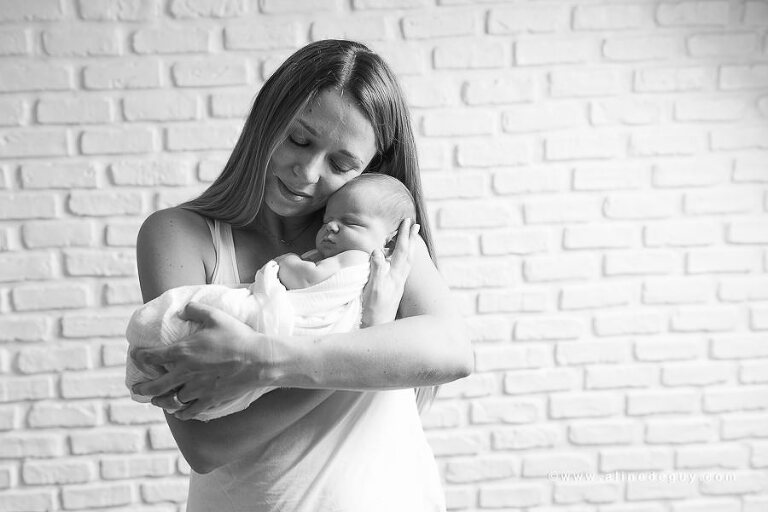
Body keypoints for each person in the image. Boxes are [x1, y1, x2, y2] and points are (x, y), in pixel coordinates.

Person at [129, 39, 473, 511]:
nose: (307, 172)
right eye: (299, 139)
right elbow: (206, 444)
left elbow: (453, 351)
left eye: (341, 164)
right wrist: (368, 335)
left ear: (370, 167)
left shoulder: (376, 233)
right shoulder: (180, 236)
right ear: (267, 119)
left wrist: (264, 359)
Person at [126, 174, 417, 422]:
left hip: (294, 322)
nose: (331, 227)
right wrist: (370, 335)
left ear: (390, 240)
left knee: (228, 311)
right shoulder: (175, 232)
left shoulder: (360, 260)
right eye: (328, 219)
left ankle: (165, 331)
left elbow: (307, 279)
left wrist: (286, 263)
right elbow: (204, 449)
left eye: (350, 223)